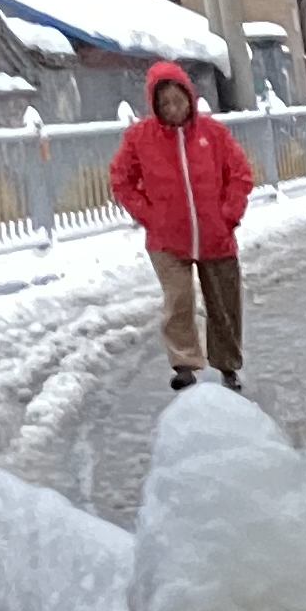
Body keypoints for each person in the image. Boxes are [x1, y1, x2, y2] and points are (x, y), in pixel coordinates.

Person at [108, 59, 253, 390]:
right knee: (179, 300)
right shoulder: (139, 138)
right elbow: (121, 180)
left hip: (216, 236)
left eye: (178, 100)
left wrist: (228, 214)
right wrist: (149, 215)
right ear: (155, 106)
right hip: (167, 240)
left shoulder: (213, 134)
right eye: (165, 104)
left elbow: (240, 174)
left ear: (190, 96)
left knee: (224, 303)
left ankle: (227, 365)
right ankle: (184, 363)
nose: (173, 109)